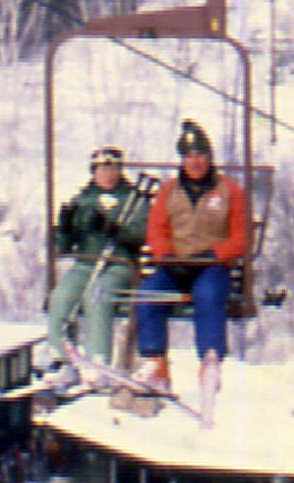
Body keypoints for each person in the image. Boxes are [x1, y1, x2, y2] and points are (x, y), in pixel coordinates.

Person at [133, 119, 246, 423]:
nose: (194, 163)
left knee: (208, 295)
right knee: (148, 294)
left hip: (209, 265)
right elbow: (155, 228)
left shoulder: (229, 191)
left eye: (200, 156)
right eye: (189, 156)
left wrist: (215, 253)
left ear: (209, 158)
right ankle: (155, 361)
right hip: (176, 264)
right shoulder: (169, 191)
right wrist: (165, 255)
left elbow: (240, 237)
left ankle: (210, 360)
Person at [44, 146, 149, 389]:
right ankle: (60, 359)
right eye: (103, 169)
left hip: (118, 264)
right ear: (94, 171)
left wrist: (115, 229)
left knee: (97, 297)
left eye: (113, 168)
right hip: (87, 262)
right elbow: (65, 244)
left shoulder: (133, 199)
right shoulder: (84, 199)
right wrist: (65, 229)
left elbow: (142, 233)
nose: (108, 174)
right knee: (59, 298)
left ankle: (98, 361)